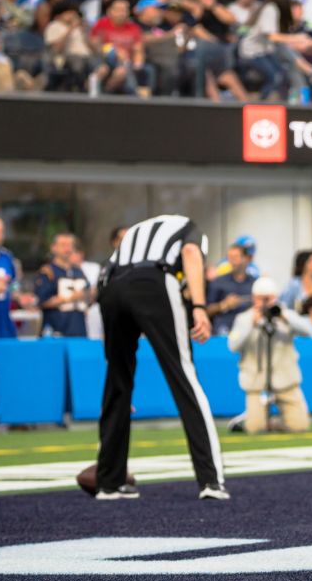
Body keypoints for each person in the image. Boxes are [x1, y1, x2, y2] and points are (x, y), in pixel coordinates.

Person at [94, 214, 229, 500]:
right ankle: (210, 480)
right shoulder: (191, 228)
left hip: (109, 283)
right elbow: (191, 253)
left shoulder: (138, 233)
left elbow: (114, 272)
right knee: (183, 374)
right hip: (152, 279)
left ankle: (109, 482)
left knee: (117, 382)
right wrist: (200, 306)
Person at [226, 277, 312, 433]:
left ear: (276, 298)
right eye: (261, 299)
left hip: (285, 380)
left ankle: (273, 423)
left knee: (300, 426)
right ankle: (249, 418)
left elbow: (308, 330)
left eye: (269, 299)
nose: (265, 303)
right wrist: (251, 324)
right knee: (255, 428)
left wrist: (284, 316)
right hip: (257, 382)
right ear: (254, 299)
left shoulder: (285, 316)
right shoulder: (244, 318)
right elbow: (233, 346)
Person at [34, 232, 90, 338]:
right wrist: (69, 298)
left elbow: (88, 296)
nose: (67, 249)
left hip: (78, 329)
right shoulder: (48, 272)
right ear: (54, 248)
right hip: (56, 330)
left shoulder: (78, 271)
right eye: (63, 245)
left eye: (70, 245)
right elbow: (41, 301)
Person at [206, 237, 258, 336]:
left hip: (249, 331)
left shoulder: (255, 283)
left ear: (246, 258)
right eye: (230, 257)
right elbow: (206, 310)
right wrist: (223, 305)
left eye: (235, 257)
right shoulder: (218, 282)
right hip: (223, 333)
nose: (232, 261)